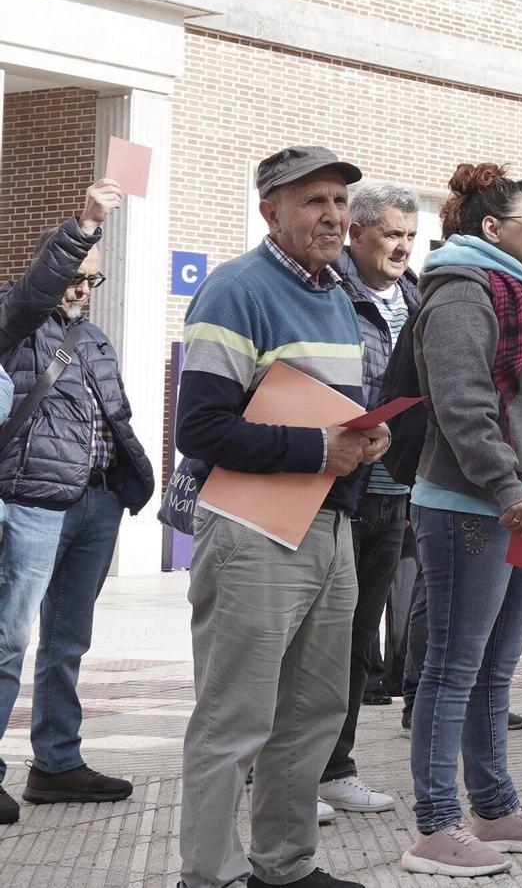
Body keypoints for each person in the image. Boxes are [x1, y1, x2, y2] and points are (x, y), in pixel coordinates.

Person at [175, 146, 383, 888]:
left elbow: (325, 420)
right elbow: (198, 428)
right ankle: (208, 875)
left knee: (312, 714)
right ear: (270, 211)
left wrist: (363, 436)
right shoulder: (236, 288)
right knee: (236, 719)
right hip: (253, 531)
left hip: (329, 526)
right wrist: (317, 447)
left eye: (338, 200)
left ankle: (285, 868)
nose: (333, 215)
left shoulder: (337, 294)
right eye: (313, 201)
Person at [401, 163, 522, 875]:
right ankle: (435, 823)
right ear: (491, 227)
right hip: (477, 508)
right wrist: (502, 482)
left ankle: (495, 803)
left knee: (497, 667)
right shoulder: (460, 289)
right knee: (454, 667)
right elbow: (460, 400)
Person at [0, 179, 155, 823]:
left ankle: (57, 764)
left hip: (96, 504)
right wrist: (86, 224)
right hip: (34, 504)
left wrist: (130, 480)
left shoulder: (94, 338)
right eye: (74, 275)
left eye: (92, 280)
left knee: (68, 643)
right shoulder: (17, 321)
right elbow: (38, 287)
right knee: (8, 639)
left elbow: (113, 415)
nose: (81, 288)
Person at [318, 181, 424, 816]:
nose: (402, 247)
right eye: (390, 234)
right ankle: (286, 766)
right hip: (335, 489)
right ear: (356, 233)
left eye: (410, 236)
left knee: (359, 637)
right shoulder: (329, 293)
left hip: (393, 494)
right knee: (316, 637)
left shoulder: (416, 301)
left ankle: (336, 765)